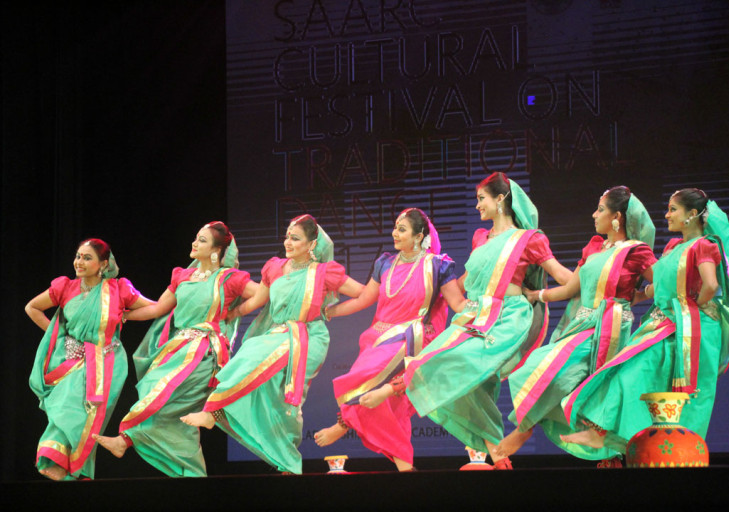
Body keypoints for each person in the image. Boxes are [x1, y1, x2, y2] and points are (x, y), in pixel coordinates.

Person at [362, 172, 572, 469]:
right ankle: (498, 454)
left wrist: (547, 293)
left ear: (501, 199)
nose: (477, 205)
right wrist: (431, 294)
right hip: (474, 313)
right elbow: (466, 280)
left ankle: (393, 388)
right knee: (470, 382)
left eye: (481, 199)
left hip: (507, 318)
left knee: (462, 362)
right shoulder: (480, 237)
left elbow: (563, 277)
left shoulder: (529, 239)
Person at [558, 188, 729, 457]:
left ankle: (676, 452)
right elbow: (661, 284)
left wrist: (692, 307)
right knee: (627, 373)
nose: (667, 215)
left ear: (692, 214)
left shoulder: (704, 245)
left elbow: (711, 284)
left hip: (691, 330)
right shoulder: (673, 247)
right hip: (664, 323)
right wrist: (640, 295)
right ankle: (613, 438)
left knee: (682, 395)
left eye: (673, 209)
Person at [181, 215, 364, 475]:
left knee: (252, 359)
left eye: (295, 238)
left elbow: (363, 294)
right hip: (278, 334)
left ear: (312, 244)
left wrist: (330, 312)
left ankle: (214, 412)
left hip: (308, 337)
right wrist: (233, 313)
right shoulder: (276, 268)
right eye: (287, 236)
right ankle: (288, 464)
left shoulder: (324, 272)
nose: (287, 242)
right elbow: (258, 300)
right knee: (278, 401)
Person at [497, 186, 656, 465]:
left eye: (601, 209)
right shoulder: (594, 247)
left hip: (609, 328)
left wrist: (638, 296)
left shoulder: (636, 251)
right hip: (582, 323)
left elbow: (662, 283)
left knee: (561, 375)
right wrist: (536, 295)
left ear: (617, 217)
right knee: (539, 370)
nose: (594, 214)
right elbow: (572, 287)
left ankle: (527, 429)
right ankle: (598, 442)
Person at [93, 221, 257, 477]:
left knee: (162, 396)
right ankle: (192, 473)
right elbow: (158, 308)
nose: (194, 243)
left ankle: (125, 440)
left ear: (216, 251)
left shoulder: (229, 279)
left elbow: (263, 293)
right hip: (177, 350)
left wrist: (237, 312)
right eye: (196, 238)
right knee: (169, 409)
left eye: (202, 240)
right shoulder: (182, 276)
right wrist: (122, 315)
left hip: (204, 354)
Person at [312, 208, 465, 472]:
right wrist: (327, 312)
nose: (394, 233)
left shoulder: (437, 265)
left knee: (362, 378)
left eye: (402, 229)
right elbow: (364, 299)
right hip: (378, 338)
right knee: (390, 408)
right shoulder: (385, 263)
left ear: (419, 236)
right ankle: (406, 468)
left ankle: (342, 424)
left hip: (413, 338)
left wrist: (487, 309)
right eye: (395, 227)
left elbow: (458, 303)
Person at [26, 239, 154, 480]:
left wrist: (125, 315)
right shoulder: (65, 287)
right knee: (65, 405)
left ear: (103, 264)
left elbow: (154, 308)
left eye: (87, 258)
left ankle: (76, 468)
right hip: (69, 360)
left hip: (107, 362)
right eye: (78, 256)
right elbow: (31, 308)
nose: (79, 262)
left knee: (88, 416)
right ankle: (57, 458)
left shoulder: (118, 289)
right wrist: (56, 336)